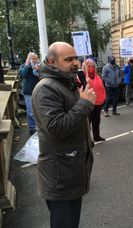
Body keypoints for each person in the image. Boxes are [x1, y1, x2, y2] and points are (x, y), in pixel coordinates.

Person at [32, 42, 96, 228]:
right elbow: (56, 127)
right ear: (51, 62)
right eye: (68, 59)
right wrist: (84, 104)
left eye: (75, 58)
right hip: (60, 175)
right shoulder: (46, 88)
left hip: (69, 170)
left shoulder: (65, 83)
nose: (75, 63)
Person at [83, 58, 106, 142]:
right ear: (85, 67)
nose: (91, 67)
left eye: (92, 65)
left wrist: (103, 97)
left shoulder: (97, 77)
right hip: (88, 104)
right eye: (89, 66)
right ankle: (88, 140)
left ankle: (96, 136)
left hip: (98, 103)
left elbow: (102, 88)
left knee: (96, 122)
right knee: (87, 123)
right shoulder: (83, 77)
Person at [19, 52, 40, 135]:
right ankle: (32, 128)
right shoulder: (24, 66)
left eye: (36, 58)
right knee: (31, 111)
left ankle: (38, 126)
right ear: (29, 58)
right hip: (29, 91)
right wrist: (27, 65)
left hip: (38, 90)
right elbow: (23, 75)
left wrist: (38, 70)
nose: (35, 60)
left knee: (38, 110)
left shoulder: (38, 65)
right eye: (33, 58)